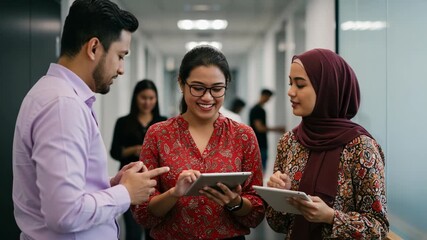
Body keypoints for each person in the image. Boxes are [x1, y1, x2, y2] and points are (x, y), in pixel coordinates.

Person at [12, 1, 169, 239]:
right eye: (120, 56)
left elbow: (66, 190)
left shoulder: (58, 96)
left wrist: (111, 184)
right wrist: (126, 192)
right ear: (94, 48)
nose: (121, 69)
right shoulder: (63, 106)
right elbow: (65, 214)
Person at [131, 45, 265, 240]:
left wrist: (235, 202)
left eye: (217, 89)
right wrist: (174, 194)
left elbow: (256, 212)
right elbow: (143, 213)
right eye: (198, 88)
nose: (207, 97)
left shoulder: (243, 135)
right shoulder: (158, 134)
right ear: (181, 83)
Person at [265, 48, 389, 239]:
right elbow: (278, 224)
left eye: (300, 85)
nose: (290, 92)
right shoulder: (290, 142)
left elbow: (378, 228)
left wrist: (331, 217)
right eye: (290, 84)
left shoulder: (360, 147)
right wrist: (279, 194)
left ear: (327, 88)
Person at [110, 79, 167, 240]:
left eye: (151, 98)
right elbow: (114, 152)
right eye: (143, 97)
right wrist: (135, 150)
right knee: (133, 231)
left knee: (154, 230)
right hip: (129, 179)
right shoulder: (123, 122)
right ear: (135, 97)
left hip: (156, 182)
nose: (147, 102)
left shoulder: (163, 121)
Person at [249, 89, 285, 171]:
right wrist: (278, 129)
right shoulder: (258, 110)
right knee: (260, 170)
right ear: (264, 96)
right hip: (259, 144)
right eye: (268, 98)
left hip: (258, 143)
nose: (268, 100)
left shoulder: (256, 109)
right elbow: (260, 128)